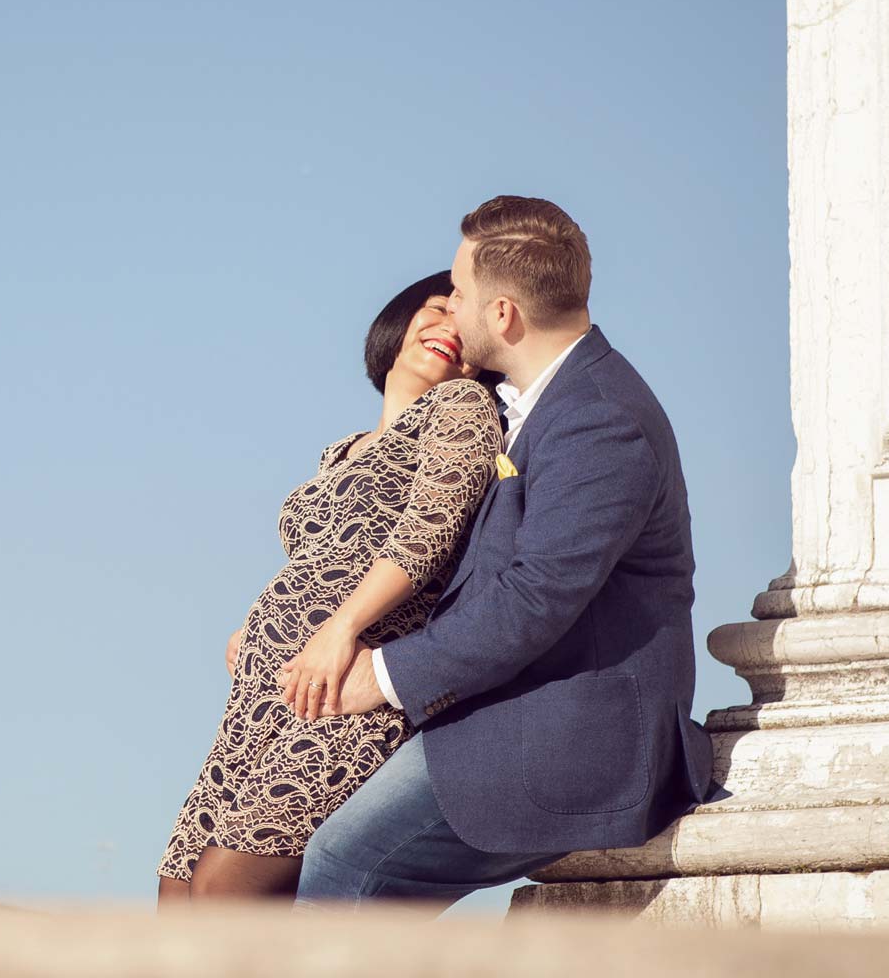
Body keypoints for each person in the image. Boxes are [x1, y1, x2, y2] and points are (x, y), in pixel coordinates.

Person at [294, 195, 715, 908]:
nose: (446, 311)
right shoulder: (543, 404)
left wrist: (385, 677)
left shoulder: (601, 419)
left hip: (571, 734)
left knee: (341, 863)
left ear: (502, 316)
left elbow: (534, 597)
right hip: (507, 707)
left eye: (458, 293)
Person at [157, 271, 503, 903]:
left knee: (225, 887)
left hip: (340, 693)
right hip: (264, 696)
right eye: (436, 309)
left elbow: (429, 533)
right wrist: (256, 622)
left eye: (465, 321)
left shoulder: (462, 408)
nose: (448, 329)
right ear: (399, 323)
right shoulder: (341, 451)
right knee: (178, 885)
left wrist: (338, 628)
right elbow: (323, 557)